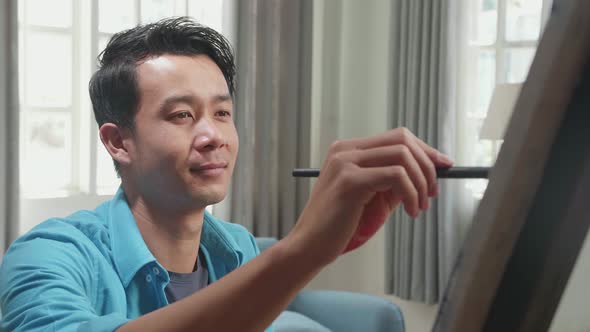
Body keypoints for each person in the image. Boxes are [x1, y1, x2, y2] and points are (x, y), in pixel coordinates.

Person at [0, 17, 453, 332]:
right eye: (181, 115)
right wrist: (302, 250)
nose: (212, 135)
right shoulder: (50, 256)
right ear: (119, 142)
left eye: (222, 113)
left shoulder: (234, 247)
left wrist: (311, 246)